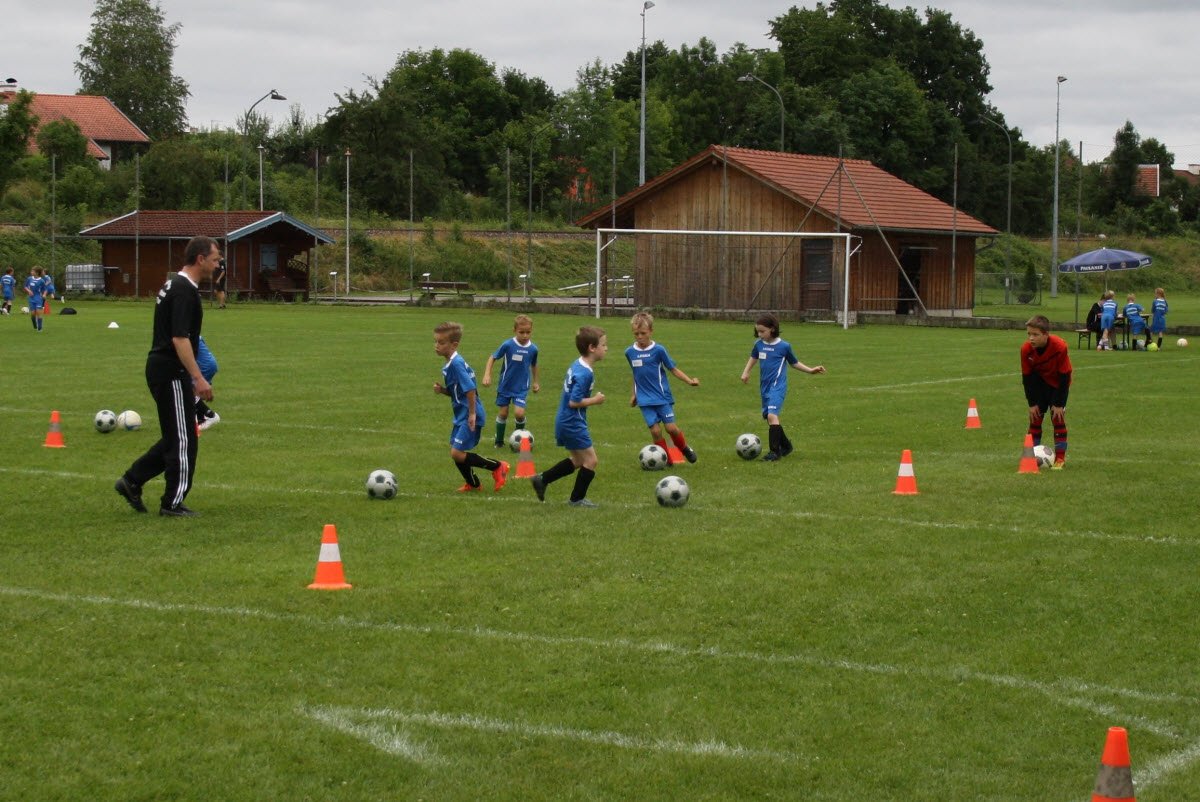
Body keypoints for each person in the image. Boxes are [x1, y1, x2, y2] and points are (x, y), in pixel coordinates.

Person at [114, 236, 221, 517]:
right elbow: (179, 338)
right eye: (214, 259)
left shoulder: (174, 284)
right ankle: (172, 504)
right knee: (183, 441)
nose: (217, 265)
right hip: (171, 371)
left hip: (165, 370)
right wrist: (198, 378)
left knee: (177, 436)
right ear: (200, 259)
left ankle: (132, 480)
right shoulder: (184, 291)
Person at [531, 326, 608, 507]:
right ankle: (576, 499)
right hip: (572, 422)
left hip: (564, 419)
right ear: (592, 348)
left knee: (579, 460)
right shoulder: (585, 373)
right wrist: (595, 400)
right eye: (603, 345)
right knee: (591, 460)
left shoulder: (578, 364)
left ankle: (542, 479)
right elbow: (574, 401)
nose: (606, 348)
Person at [432, 321, 509, 493]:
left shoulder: (456, 364)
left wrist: (472, 414)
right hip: (462, 414)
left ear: (454, 345)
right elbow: (458, 392)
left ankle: (498, 466)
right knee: (457, 452)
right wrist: (442, 390)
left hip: (469, 413)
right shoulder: (451, 363)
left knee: (457, 453)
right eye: (435, 341)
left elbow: (470, 389)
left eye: (441, 342)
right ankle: (473, 484)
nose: (436, 345)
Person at [739, 312, 825, 461]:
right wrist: (746, 372)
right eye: (758, 331)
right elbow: (753, 357)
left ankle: (775, 452)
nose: (759, 334)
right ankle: (786, 446)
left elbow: (794, 363)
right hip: (765, 387)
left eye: (762, 331)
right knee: (769, 417)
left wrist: (811, 370)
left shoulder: (784, 346)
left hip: (777, 387)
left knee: (772, 416)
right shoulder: (759, 345)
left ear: (772, 329)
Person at [625, 311, 699, 464]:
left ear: (651, 331)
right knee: (655, 431)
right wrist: (634, 394)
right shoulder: (630, 352)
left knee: (671, 428)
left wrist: (689, 381)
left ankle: (684, 448)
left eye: (643, 333)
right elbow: (635, 374)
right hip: (644, 399)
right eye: (636, 334)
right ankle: (666, 459)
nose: (639, 337)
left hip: (661, 396)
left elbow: (673, 369)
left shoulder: (659, 350)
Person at [1021, 314, 1072, 470]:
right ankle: (1031, 457)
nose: (1031, 338)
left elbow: (1064, 377)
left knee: (1058, 418)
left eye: (1035, 334)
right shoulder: (1026, 350)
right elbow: (1027, 378)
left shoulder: (1059, 347)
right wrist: (1032, 404)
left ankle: (1060, 459)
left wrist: (1059, 404)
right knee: (1035, 418)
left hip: (1058, 385)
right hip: (1038, 385)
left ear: (1046, 334)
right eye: (1029, 334)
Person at [482, 314, 540, 448]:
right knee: (503, 413)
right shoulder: (508, 345)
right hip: (506, 385)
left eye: (528, 332)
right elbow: (492, 357)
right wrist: (487, 374)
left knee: (519, 413)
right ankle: (499, 442)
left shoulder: (533, 349)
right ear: (514, 330)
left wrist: (536, 382)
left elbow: (534, 364)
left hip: (521, 387)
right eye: (521, 332)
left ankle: (519, 438)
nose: (525, 335)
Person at [195, 335, 221, 430]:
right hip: (207, 363)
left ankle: (209, 416)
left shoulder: (179, 332)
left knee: (184, 390)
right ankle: (201, 418)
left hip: (204, 366)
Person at [24, 266, 46, 331]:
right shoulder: (29, 278)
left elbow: (45, 289)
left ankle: (40, 328)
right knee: (33, 314)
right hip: (31, 298)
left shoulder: (41, 281)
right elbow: (25, 286)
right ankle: (34, 324)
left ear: (37, 273)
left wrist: (44, 294)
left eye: (32, 271)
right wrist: (29, 291)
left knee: (39, 313)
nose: (31, 272)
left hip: (38, 298)